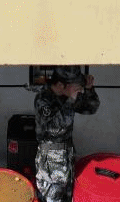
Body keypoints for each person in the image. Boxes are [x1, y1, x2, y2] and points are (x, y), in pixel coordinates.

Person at [34, 67, 99, 202]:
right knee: (53, 198)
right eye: (75, 85)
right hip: (51, 161)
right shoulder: (43, 99)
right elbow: (56, 128)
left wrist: (88, 89)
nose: (78, 88)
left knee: (68, 198)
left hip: (67, 156)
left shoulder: (67, 95)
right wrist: (71, 100)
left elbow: (91, 108)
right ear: (60, 85)